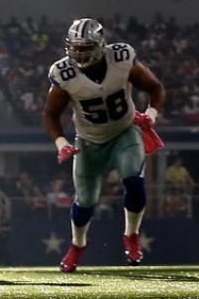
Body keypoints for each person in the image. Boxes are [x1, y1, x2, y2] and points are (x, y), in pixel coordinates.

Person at [44, 17, 167, 271]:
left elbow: (155, 88)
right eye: (74, 47)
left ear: (100, 45)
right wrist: (61, 143)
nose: (78, 53)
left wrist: (151, 115)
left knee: (134, 181)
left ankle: (131, 235)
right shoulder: (64, 72)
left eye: (84, 47)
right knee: (85, 201)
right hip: (89, 141)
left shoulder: (121, 58)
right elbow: (50, 115)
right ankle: (78, 244)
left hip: (124, 132)